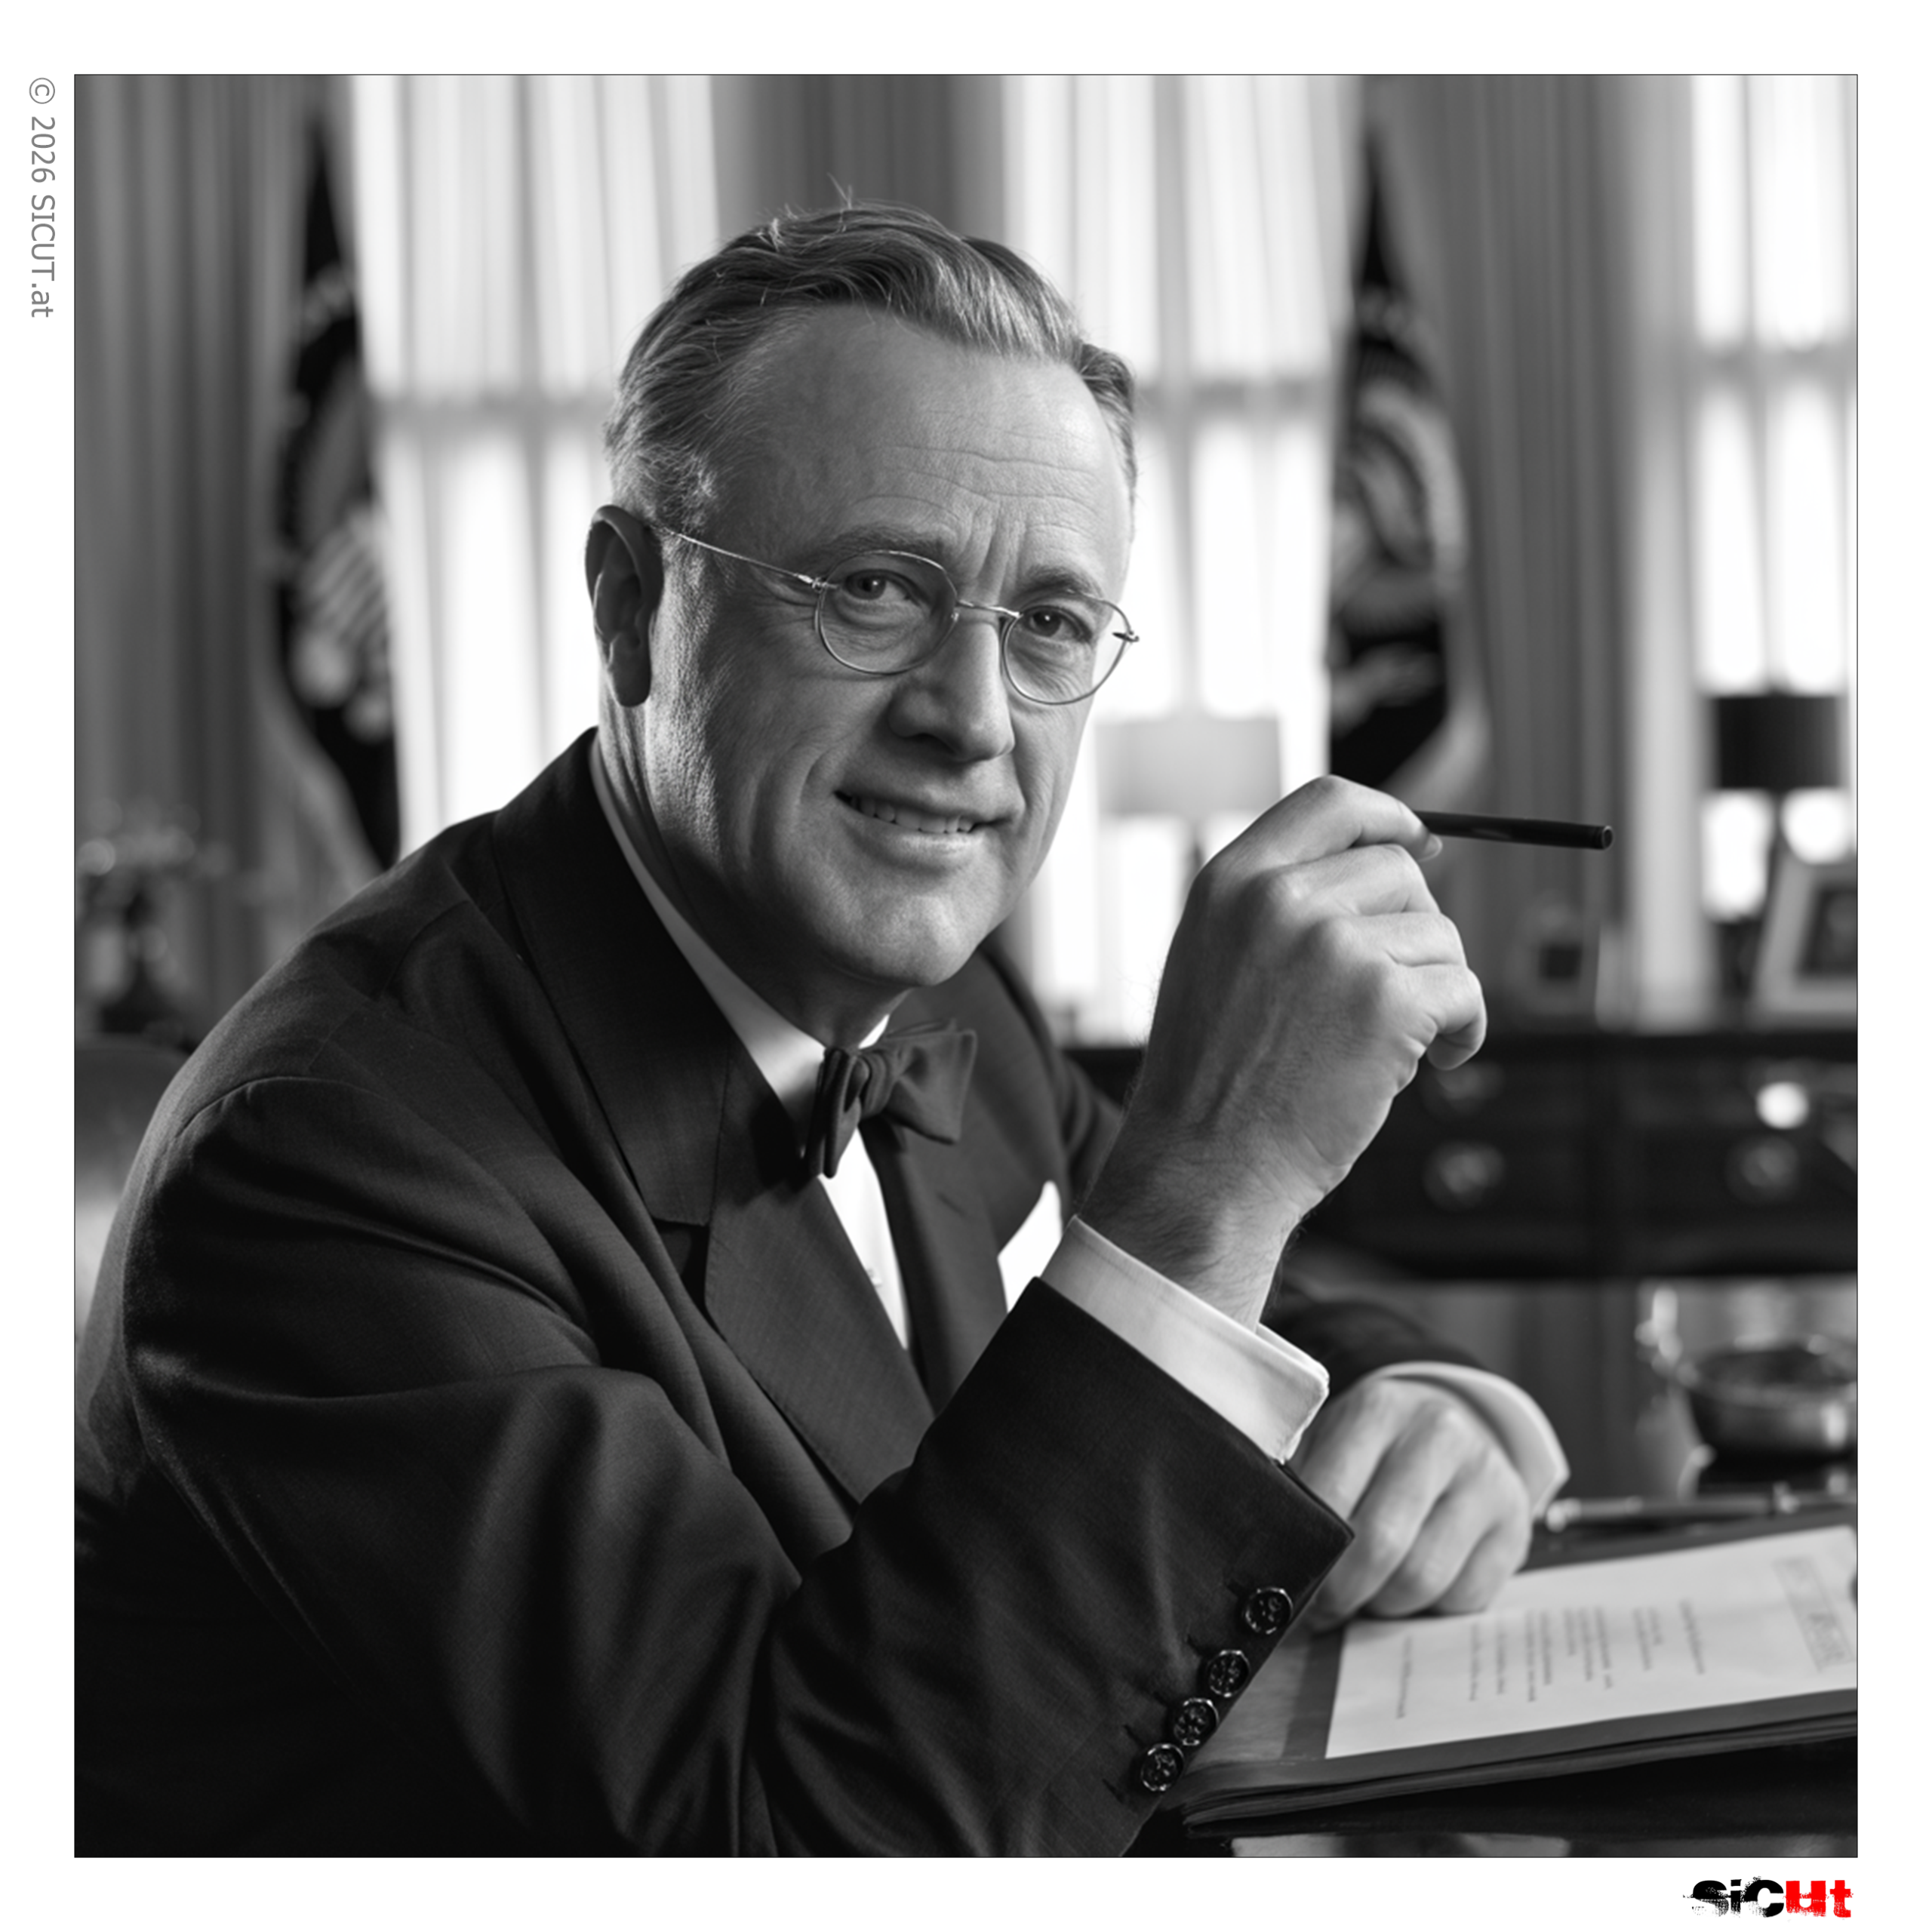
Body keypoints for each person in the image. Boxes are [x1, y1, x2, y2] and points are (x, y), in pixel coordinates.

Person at [75, 204, 1564, 1854]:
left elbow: (1202, 1319)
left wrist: (1432, 1402)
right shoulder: (326, 1163)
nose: (972, 721)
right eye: (872, 589)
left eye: (1050, 623)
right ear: (631, 608)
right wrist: (1213, 1175)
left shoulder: (936, 981)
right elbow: (803, 1842)